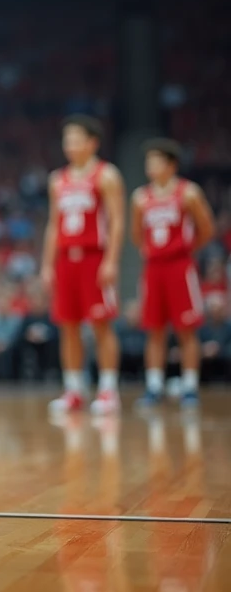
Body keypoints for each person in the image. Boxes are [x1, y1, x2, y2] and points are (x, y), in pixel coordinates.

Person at [41, 115, 126, 416]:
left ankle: (107, 390)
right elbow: (53, 224)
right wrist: (47, 264)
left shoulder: (106, 175)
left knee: (101, 325)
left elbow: (116, 221)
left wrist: (112, 260)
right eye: (67, 140)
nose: (70, 145)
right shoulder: (57, 180)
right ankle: (74, 389)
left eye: (76, 139)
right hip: (66, 259)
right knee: (68, 325)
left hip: (94, 256)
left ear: (92, 143)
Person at [130, 138, 213, 409]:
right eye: (148, 162)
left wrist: (185, 248)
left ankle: (189, 386)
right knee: (153, 328)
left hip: (180, 266)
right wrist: (153, 250)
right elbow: (136, 235)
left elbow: (207, 228)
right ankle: (154, 386)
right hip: (154, 267)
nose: (150, 166)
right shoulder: (141, 198)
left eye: (155, 161)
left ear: (171, 165)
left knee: (186, 329)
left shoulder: (188, 193)